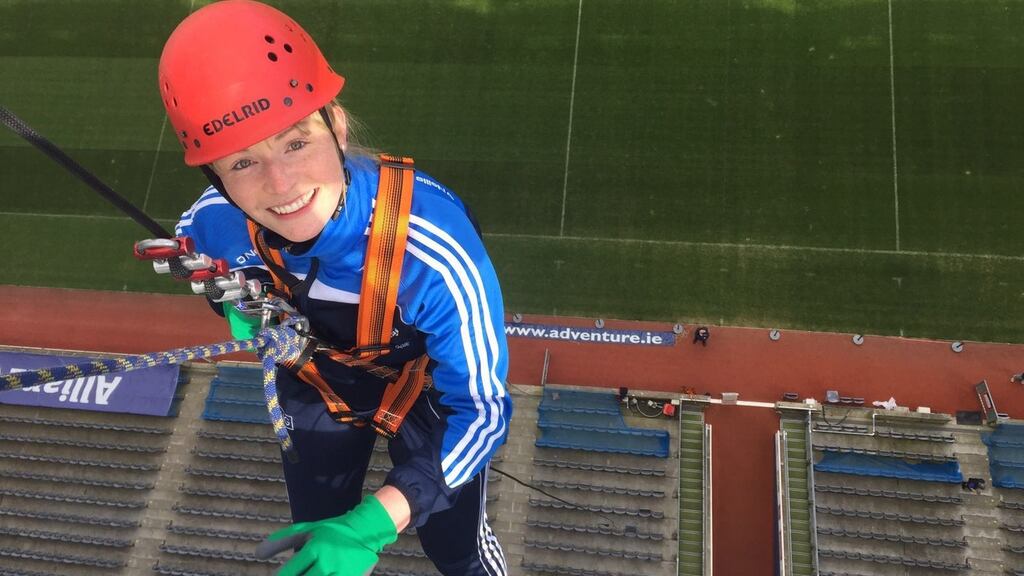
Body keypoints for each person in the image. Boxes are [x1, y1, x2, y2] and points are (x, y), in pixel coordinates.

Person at [158, 2, 512, 575]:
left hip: (430, 397)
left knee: (457, 546)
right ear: (216, 177)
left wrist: (375, 523)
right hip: (316, 381)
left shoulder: (431, 249)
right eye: (241, 163)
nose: (281, 186)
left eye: (296, 143)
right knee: (316, 533)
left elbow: (482, 411)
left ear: (337, 127)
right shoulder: (213, 221)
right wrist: (232, 300)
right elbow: (191, 242)